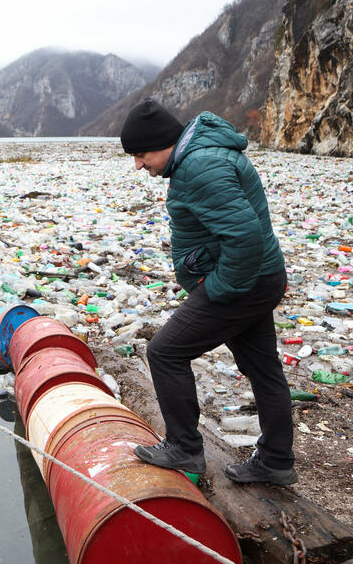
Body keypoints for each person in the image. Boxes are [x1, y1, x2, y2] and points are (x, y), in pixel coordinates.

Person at [120, 98, 296, 485]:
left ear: (165, 142)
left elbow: (244, 237)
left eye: (141, 154)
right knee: (263, 369)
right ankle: (276, 460)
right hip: (261, 277)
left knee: (164, 352)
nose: (138, 165)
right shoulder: (201, 156)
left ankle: (184, 448)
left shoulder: (199, 166)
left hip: (243, 283)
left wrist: (219, 289)